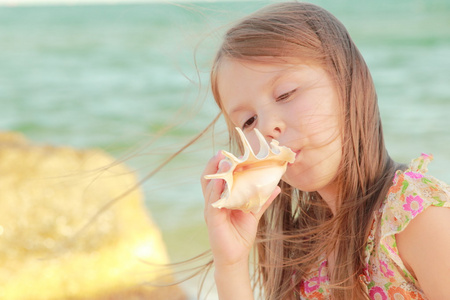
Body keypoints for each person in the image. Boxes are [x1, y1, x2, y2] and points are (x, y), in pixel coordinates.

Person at [200, 2, 450, 299]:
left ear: (347, 82)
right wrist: (231, 264)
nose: (267, 128)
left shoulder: (416, 219)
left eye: (285, 94)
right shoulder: (304, 249)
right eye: (248, 121)